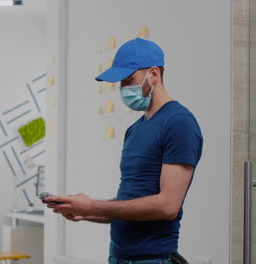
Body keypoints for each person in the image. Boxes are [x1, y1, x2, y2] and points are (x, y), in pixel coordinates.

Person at [44, 39, 203, 264]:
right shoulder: (135, 130)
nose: (123, 89)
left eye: (129, 80)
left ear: (154, 74)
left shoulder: (178, 123)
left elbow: (168, 205)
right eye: (120, 83)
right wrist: (87, 211)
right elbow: (131, 200)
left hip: (152, 259)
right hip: (119, 257)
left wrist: (95, 206)